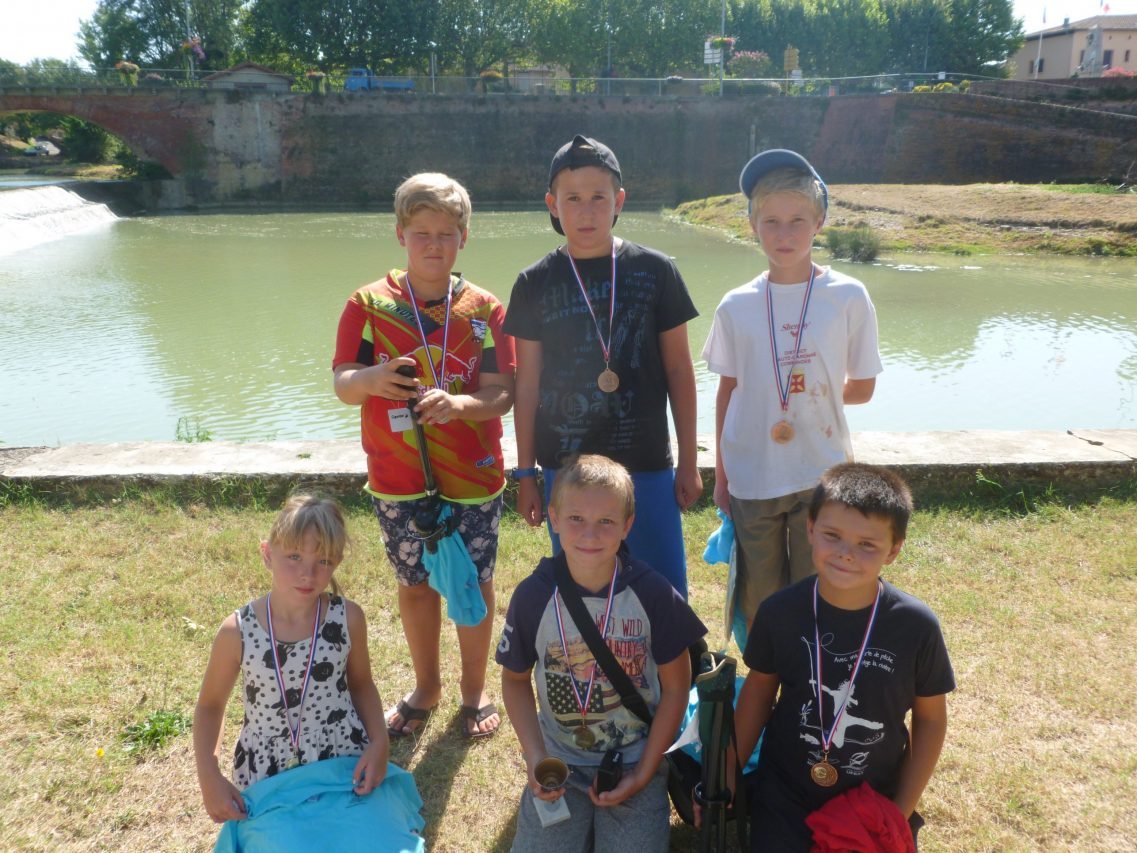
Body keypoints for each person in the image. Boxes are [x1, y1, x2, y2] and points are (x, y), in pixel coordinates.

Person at [332, 173, 515, 739]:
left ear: (464, 237)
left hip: (473, 477)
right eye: (421, 233)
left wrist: (460, 405)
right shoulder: (367, 304)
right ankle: (427, 686)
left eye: (446, 234)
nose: (433, 245)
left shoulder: (486, 309)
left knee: (474, 582)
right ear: (400, 235)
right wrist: (371, 378)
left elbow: (502, 393)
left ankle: (474, 689)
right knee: (414, 583)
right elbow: (342, 382)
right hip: (398, 476)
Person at [504, 134, 701, 598]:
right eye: (572, 198)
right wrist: (526, 474)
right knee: (585, 588)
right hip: (565, 467)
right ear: (553, 205)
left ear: (620, 202)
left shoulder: (656, 270)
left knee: (663, 591)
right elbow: (526, 385)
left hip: (646, 463)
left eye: (599, 197)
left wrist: (689, 462)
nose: (586, 211)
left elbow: (680, 370)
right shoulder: (533, 282)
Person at [702, 148, 882, 626]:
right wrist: (721, 475)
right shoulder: (735, 305)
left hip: (821, 472)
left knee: (815, 588)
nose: (785, 234)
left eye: (797, 221)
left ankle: (812, 667)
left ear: (819, 221)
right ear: (752, 225)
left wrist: (809, 393)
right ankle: (765, 667)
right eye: (772, 222)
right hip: (752, 473)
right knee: (759, 596)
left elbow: (863, 388)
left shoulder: (848, 297)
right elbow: (728, 393)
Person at [732, 463, 955, 850]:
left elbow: (931, 719)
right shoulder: (779, 612)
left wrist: (898, 812)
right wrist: (726, 773)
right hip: (786, 794)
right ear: (810, 529)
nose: (846, 554)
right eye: (832, 535)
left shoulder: (916, 626)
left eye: (867, 544)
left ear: (894, 549)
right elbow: (758, 692)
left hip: (874, 797)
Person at [497, 454, 707, 852]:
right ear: (554, 518)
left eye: (606, 521)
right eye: (576, 518)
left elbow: (676, 690)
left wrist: (643, 774)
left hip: (635, 760)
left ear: (627, 525)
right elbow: (514, 679)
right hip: (560, 764)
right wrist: (537, 757)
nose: (590, 534)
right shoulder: (533, 595)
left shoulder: (654, 595)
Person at [193, 494, 390, 823]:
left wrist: (380, 742)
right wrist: (208, 776)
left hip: (342, 760)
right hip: (268, 772)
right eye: (294, 556)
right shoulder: (237, 631)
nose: (307, 573)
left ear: (337, 561)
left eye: (323, 561)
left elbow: (361, 685)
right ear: (267, 554)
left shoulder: (348, 618)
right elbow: (210, 706)